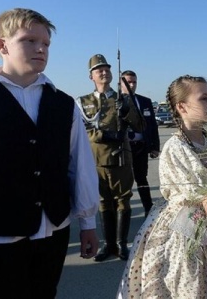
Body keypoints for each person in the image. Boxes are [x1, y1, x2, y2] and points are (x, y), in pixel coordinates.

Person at [0, 7, 100, 299]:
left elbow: (80, 165)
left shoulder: (63, 103)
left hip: (54, 233)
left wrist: (88, 222)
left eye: (46, 43)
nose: (41, 48)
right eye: (29, 41)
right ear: (2, 45)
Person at [117, 75, 207, 298]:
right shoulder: (176, 148)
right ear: (182, 106)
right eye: (204, 98)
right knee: (196, 287)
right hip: (190, 235)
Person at [77, 55, 145, 262]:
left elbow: (140, 126)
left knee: (123, 202)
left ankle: (123, 244)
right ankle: (109, 245)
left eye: (106, 69)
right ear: (91, 76)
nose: (104, 72)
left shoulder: (122, 99)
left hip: (120, 159)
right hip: (95, 160)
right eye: (99, 70)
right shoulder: (82, 102)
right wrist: (104, 135)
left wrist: (128, 110)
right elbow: (81, 129)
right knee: (104, 203)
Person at [120, 70, 160, 215]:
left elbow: (152, 126)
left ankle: (148, 210)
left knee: (142, 178)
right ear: (121, 83)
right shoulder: (115, 101)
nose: (132, 84)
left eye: (134, 82)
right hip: (123, 148)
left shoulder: (144, 101)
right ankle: (123, 212)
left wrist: (155, 147)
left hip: (140, 147)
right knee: (124, 181)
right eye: (128, 82)